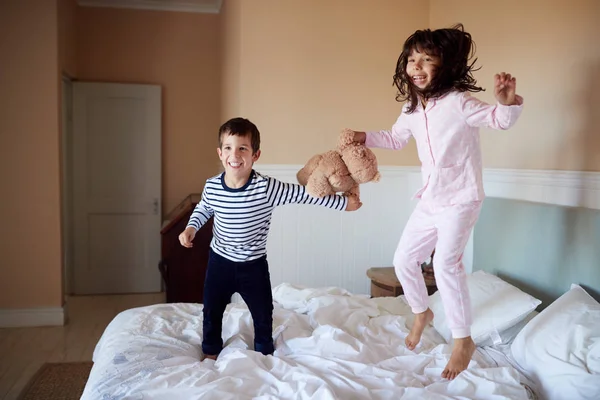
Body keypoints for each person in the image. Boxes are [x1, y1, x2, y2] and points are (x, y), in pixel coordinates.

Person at [350, 24, 523, 379]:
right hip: (430, 199)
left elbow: (496, 120)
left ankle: (463, 340)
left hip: (462, 198)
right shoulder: (411, 108)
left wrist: (506, 104)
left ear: (445, 66)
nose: (417, 66)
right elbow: (396, 139)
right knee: (403, 260)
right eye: (412, 60)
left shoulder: (459, 102)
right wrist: (363, 136)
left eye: (427, 60)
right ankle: (422, 311)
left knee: (445, 264)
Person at [179, 117, 361, 360]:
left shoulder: (266, 188)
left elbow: (305, 195)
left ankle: (264, 349)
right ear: (220, 154)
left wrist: (343, 204)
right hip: (219, 262)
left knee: (262, 311)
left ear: (256, 155)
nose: (235, 154)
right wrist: (191, 228)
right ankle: (211, 350)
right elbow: (203, 209)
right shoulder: (212, 186)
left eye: (243, 148)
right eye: (229, 148)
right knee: (212, 309)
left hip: (253, 266)